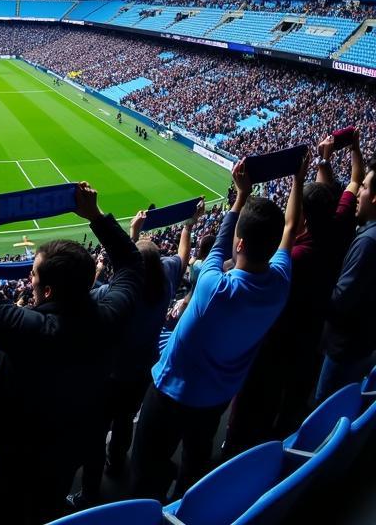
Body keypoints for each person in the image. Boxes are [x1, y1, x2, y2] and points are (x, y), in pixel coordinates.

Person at [0, 184, 143, 525]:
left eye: (33, 274)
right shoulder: (110, 316)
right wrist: (96, 217)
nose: (29, 278)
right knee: (51, 504)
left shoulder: (29, 330)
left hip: (18, 453)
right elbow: (132, 265)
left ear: (46, 290)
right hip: (70, 446)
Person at [130, 153, 303, 499]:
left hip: (169, 395)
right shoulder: (280, 284)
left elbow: (231, 240)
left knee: (145, 466)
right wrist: (298, 180)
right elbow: (290, 228)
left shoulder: (214, 287)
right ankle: (186, 507)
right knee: (196, 462)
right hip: (216, 400)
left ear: (240, 244)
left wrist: (240, 195)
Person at [226, 131, 361, 450]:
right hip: (314, 333)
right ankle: (281, 440)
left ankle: (240, 447)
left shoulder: (294, 257)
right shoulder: (340, 223)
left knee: (258, 402)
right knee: (291, 398)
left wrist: (243, 197)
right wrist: (330, 158)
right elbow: (354, 181)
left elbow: (240, 259)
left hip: (280, 338)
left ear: (303, 217)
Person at [73, 199, 202, 507]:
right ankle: (116, 463)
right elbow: (182, 256)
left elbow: (93, 294)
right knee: (124, 422)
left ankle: (90, 492)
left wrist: (131, 234)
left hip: (110, 376)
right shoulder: (168, 278)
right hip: (144, 371)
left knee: (96, 432)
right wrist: (187, 225)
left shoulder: (110, 295)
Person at [316, 143, 376, 400]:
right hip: (361, 344)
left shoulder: (368, 242)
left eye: (364, 187)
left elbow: (339, 299)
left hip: (343, 349)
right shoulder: (368, 232)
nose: (359, 190)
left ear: (374, 197)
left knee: (324, 404)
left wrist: (317, 286)